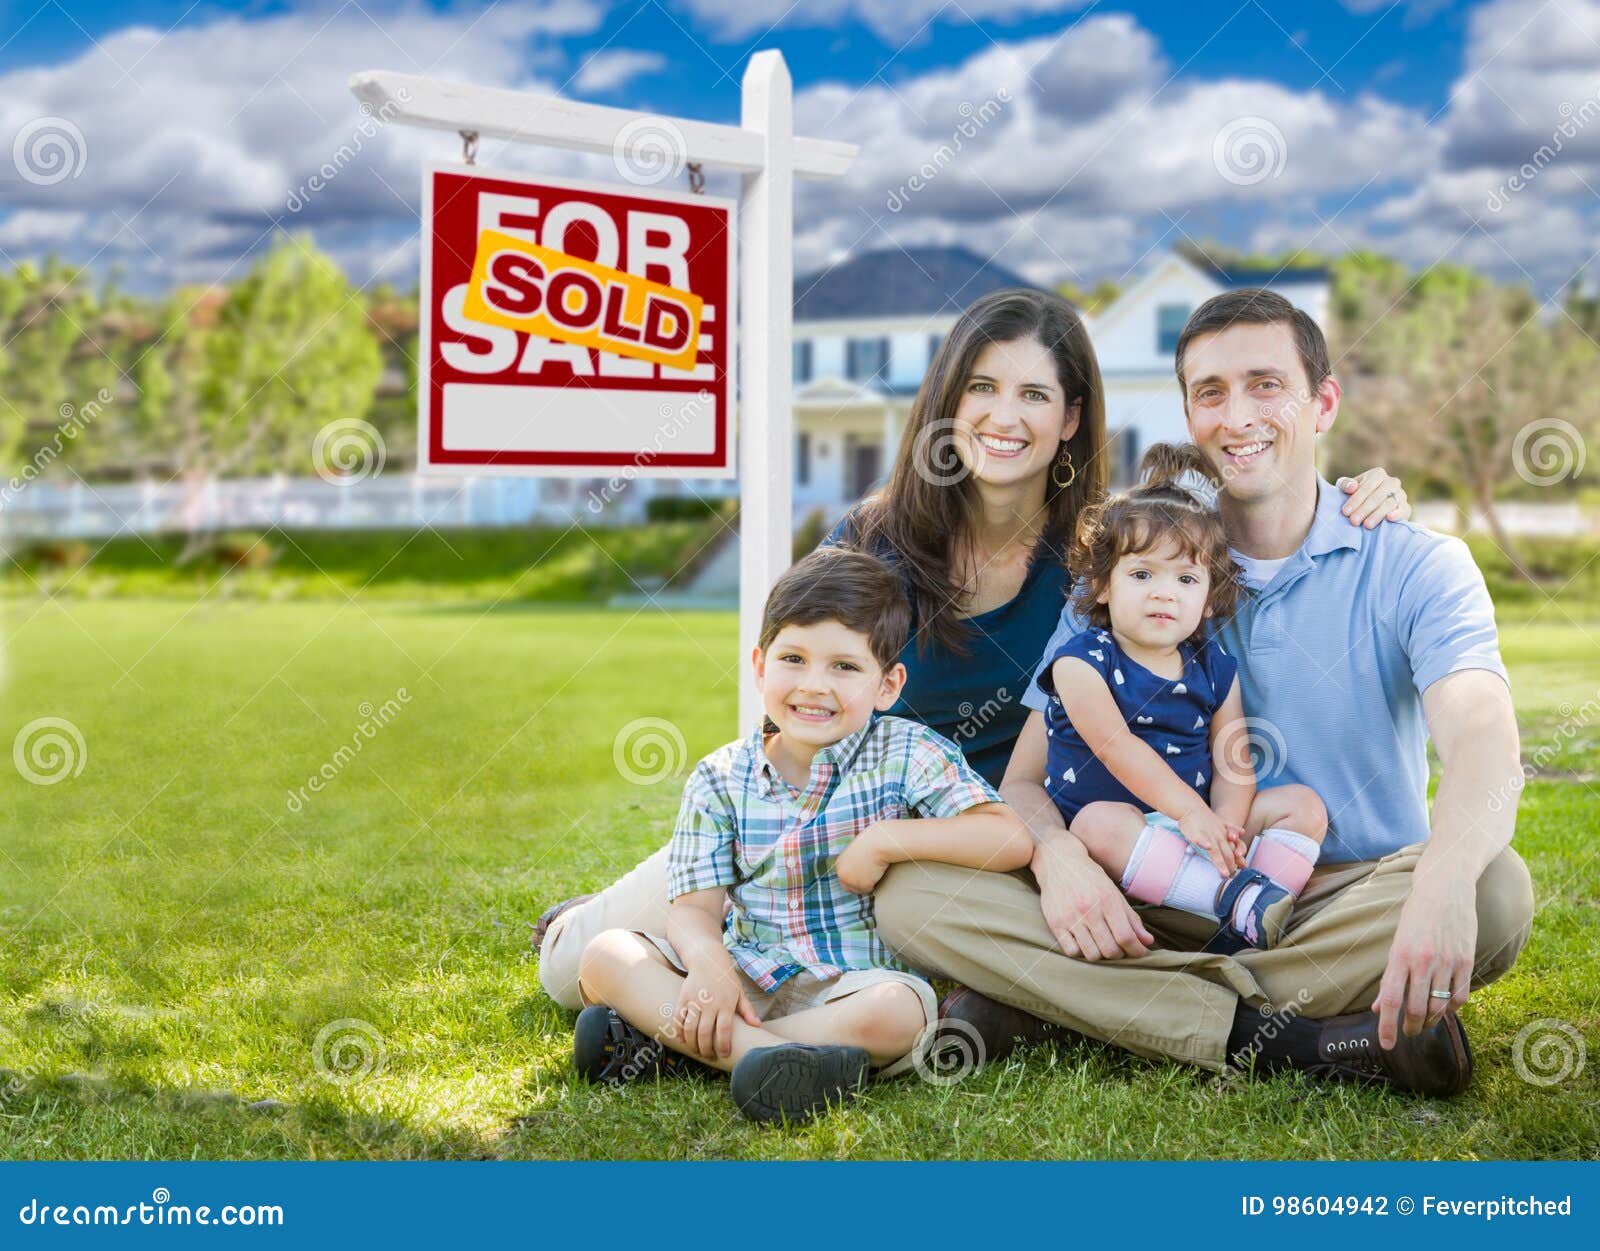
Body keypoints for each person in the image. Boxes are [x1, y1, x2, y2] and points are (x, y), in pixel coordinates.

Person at [533, 286, 1412, 1013]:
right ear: (949, 401)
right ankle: (601, 932)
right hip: (834, 819)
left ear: (1071, 419)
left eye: (1034, 395)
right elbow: (799, 699)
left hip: (994, 846)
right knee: (571, 970)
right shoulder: (874, 540)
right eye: (982, 388)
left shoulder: (1100, 562)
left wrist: (1364, 491)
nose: (1004, 416)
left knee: (901, 972)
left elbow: (1222, 529)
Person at [872, 288, 1534, 1098]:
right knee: (911, 894)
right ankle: (1294, 1037)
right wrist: (1059, 856)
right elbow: (1023, 778)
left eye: (1266, 384)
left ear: (1322, 403)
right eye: (1211, 393)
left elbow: (1484, 739)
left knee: (1493, 888)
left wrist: (1439, 878)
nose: (1238, 414)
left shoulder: (1415, 563)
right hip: (1146, 885)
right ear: (1189, 415)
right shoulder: (1136, 565)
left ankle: (1061, 1001)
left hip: (1325, 902)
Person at [571, 547, 1032, 1122]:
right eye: (794, 658)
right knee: (606, 955)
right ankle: (777, 1061)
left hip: (850, 986)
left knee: (903, 1012)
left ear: (887, 685)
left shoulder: (907, 752)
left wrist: (887, 839)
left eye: (844, 667)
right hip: (746, 972)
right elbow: (692, 910)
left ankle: (679, 1049)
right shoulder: (720, 777)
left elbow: (1008, 837)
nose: (815, 685)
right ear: (761, 666)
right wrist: (710, 963)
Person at [1041, 442, 1327, 954]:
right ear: (1104, 585)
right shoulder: (1081, 661)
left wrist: (1227, 831)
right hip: (1119, 845)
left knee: (1302, 806)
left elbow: (1233, 758)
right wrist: (1192, 814)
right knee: (1096, 824)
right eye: (1143, 574)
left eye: (1187, 578)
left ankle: (1251, 903)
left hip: (1195, 836)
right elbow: (1117, 747)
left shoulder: (1214, 668)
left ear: (1209, 594)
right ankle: (1229, 904)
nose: (1164, 592)